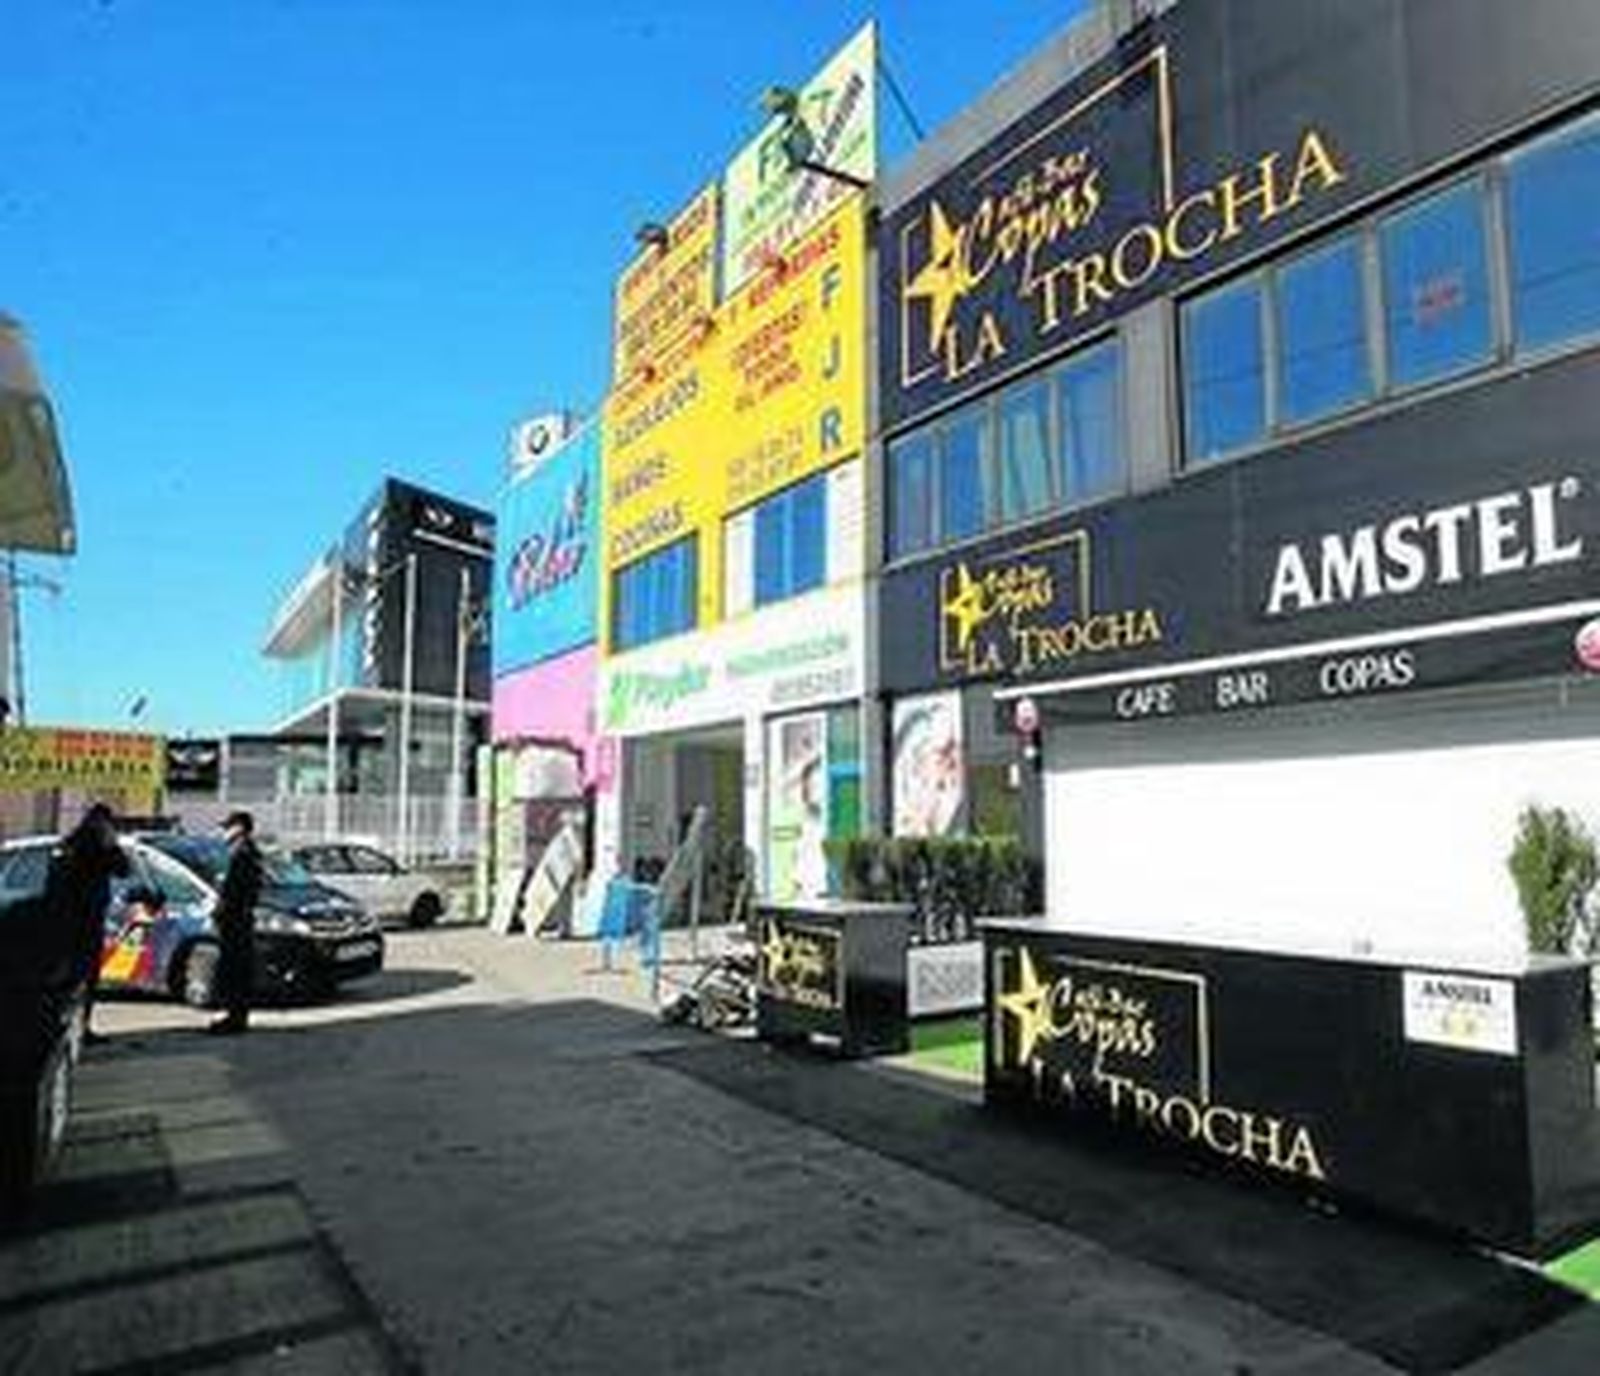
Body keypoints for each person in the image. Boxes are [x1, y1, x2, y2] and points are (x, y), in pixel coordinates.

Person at [44, 802, 130, 1044]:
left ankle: (66, 1028)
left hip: (66, 922)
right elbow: (123, 869)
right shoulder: (97, 846)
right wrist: (113, 843)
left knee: (69, 979)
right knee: (83, 979)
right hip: (85, 923)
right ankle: (79, 1028)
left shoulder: (70, 842)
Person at [210, 810, 263, 1036]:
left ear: (239, 827)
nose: (224, 832)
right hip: (241, 917)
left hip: (235, 919)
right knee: (238, 968)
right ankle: (237, 1016)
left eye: (227, 827)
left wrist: (218, 914)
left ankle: (233, 1018)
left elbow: (232, 892)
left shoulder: (240, 853)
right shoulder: (249, 851)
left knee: (234, 968)